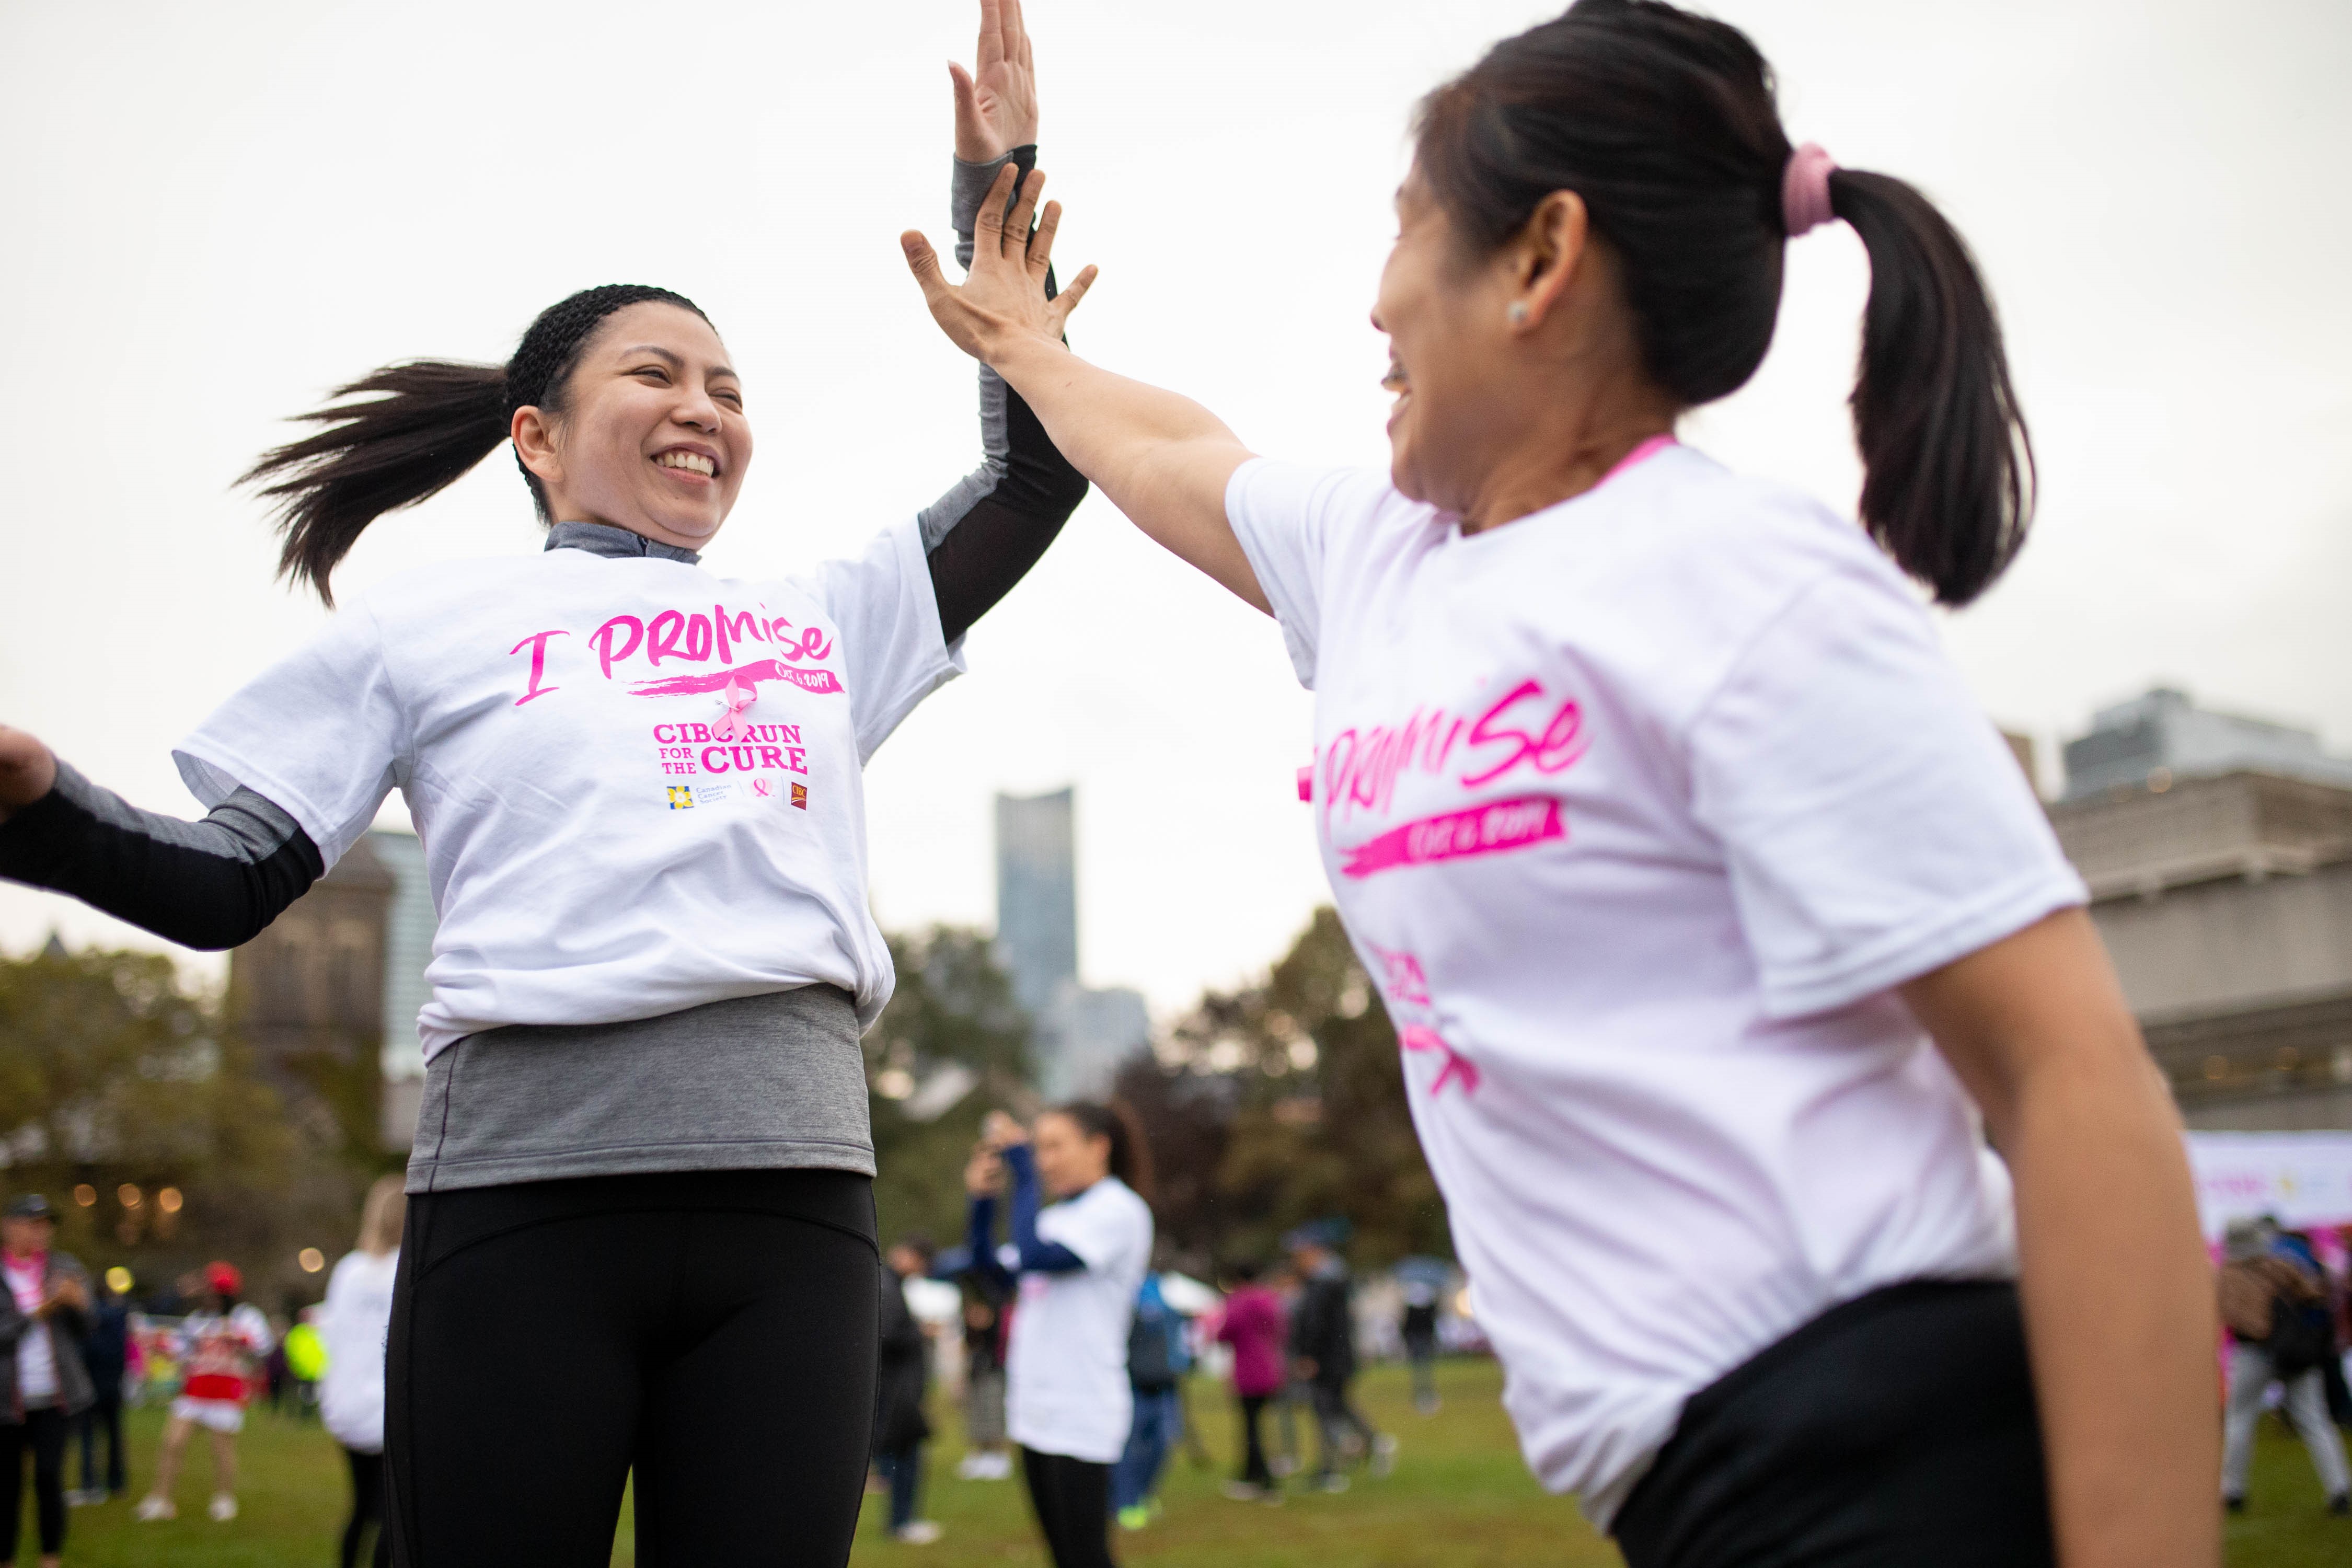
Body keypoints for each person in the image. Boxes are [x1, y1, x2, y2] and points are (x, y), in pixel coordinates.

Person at [900, 3, 2220, 1562]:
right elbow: (1170, 445)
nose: (1375, 302)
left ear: (1541, 261)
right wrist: (1028, 328)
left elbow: (2074, 1085)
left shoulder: (1746, 582)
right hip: (1690, 1487)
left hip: (1879, 1436)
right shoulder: (1384, 555)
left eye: (1404, 233)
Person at [0, 3, 1087, 1560]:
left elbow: (1036, 475)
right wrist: (40, 805)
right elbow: (228, 880)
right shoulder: (427, 624)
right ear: (537, 432)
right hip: (521, 1207)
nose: (707, 407)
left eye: (728, 385)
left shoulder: (818, 615)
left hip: (795, 1208)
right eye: (659, 373)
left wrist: (1005, 197)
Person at [964, 1105, 1154, 1568]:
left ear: (1098, 1146)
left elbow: (1033, 1257)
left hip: (1082, 1410)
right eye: (1038, 1149)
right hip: (1036, 1411)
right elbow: (991, 1275)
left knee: (1086, 1556)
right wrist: (983, 1202)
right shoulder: (1056, 1219)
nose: (1044, 1161)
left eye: (1053, 1146)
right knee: (1064, 1556)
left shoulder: (1118, 1208)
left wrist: (1023, 1173)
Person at [2218, 1217, 2350, 1514]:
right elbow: (2315, 1295)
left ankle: (2233, 1490)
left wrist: (2265, 1332)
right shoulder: (2281, 1264)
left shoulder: (2227, 1275)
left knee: (2240, 1419)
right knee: (2315, 1420)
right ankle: (2339, 1487)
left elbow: (2230, 1315)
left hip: (2254, 1353)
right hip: (2297, 1354)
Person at [137, 1261, 273, 1523]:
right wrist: (161, 1344)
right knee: (172, 1443)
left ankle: (224, 1499)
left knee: (221, 1449)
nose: (206, 1295)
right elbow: (183, 1348)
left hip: (225, 1393)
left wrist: (239, 1338)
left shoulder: (245, 1316)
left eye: (212, 1290)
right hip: (195, 1391)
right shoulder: (198, 1320)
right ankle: (161, 1499)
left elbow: (263, 1345)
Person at [1, 1194, 93, 1568]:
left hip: (55, 1395)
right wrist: (40, 1310)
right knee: (6, 1486)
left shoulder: (63, 1266)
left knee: (49, 1476)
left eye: (47, 1224)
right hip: (7, 1399)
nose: (42, 1232)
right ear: (9, 1226)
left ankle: (49, 1557)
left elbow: (90, 1327)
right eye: (33, 1223)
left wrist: (79, 1304)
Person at [320, 1175, 405, 1568]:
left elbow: (332, 1335)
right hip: (388, 1410)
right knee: (392, 1515)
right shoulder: (405, 1272)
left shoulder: (348, 1270)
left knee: (361, 1507)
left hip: (347, 1406)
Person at [1284, 1227, 1391, 1492]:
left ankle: (1336, 1463)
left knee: (1325, 1409)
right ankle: (1372, 1444)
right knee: (1337, 1405)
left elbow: (1315, 1323)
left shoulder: (1323, 1283)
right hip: (1338, 1357)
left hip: (1327, 1359)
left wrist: (1308, 1355)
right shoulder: (1334, 1280)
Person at [874, 1237, 944, 1546]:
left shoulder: (890, 1284)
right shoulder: (888, 1286)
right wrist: (919, 1332)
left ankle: (902, 1521)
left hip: (899, 1389)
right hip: (896, 1392)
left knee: (904, 1455)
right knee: (906, 1456)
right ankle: (901, 1523)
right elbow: (887, 1334)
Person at [1110, 1270, 1187, 1529]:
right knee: (1128, 1449)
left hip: (1164, 1388)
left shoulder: (1166, 1300)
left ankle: (1142, 1495)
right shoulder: (1121, 1298)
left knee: (1162, 1444)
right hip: (1134, 1388)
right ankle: (1125, 1502)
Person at [1212, 1260, 1287, 1503]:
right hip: (1271, 1368)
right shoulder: (1270, 1300)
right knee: (1258, 1424)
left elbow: (1224, 1332)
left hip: (1248, 1371)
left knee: (1251, 1427)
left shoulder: (1240, 1301)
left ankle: (1262, 1481)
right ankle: (1249, 1475)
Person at [68, 1270, 129, 1505]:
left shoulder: (94, 1316)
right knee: (113, 1435)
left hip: (94, 1383)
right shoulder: (119, 1315)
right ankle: (116, 1483)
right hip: (112, 1384)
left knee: (89, 1436)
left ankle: (91, 1485)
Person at [954, 1278, 1014, 1481]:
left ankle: (999, 1457)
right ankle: (981, 1455)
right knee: (977, 1415)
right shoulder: (970, 1328)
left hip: (993, 1372)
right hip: (977, 1373)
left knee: (993, 1414)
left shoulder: (997, 1321)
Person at [1399, 1275, 1442, 1416]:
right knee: (1422, 1369)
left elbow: (1408, 1326)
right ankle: (1423, 1394)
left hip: (1419, 1339)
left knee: (1421, 1369)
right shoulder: (1426, 1307)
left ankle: (1422, 1394)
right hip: (1420, 1339)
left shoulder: (1414, 1307)